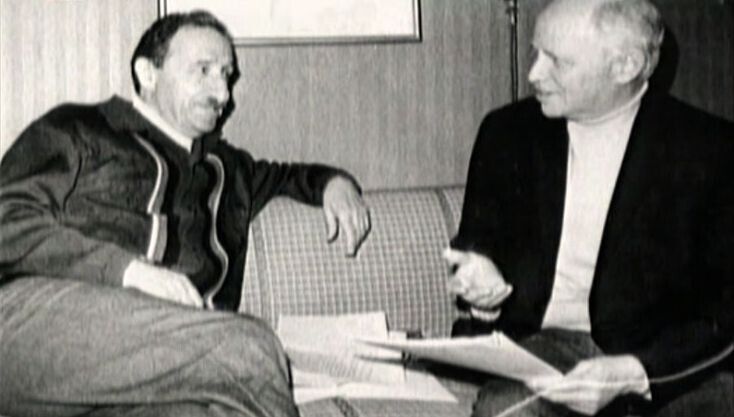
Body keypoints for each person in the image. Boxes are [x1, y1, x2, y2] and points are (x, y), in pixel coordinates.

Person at [0, 10, 370, 417]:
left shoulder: (229, 167)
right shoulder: (79, 128)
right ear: (148, 73)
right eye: (203, 70)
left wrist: (335, 183)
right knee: (251, 349)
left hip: (155, 364)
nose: (222, 93)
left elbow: (293, 177)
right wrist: (130, 271)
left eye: (227, 75)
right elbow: (7, 221)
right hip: (36, 326)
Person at [445, 0, 733, 416]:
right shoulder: (507, 133)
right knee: (507, 411)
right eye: (535, 53)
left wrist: (636, 371)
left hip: (666, 358)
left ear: (625, 66)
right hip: (551, 347)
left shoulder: (712, 150)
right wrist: (482, 291)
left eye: (557, 61)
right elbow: (478, 244)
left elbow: (725, 307)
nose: (534, 74)